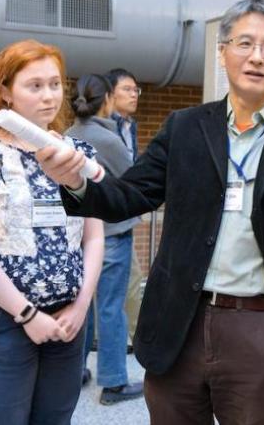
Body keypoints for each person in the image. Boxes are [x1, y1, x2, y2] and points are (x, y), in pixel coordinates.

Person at [37, 0, 264, 425]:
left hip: (256, 328)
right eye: (244, 43)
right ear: (223, 53)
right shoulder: (185, 127)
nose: (256, 56)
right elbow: (128, 196)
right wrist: (75, 181)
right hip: (178, 323)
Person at [0, 39, 104, 424]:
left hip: (68, 319)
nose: (49, 96)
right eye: (34, 86)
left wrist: (81, 307)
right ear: (4, 93)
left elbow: (94, 237)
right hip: (2, 321)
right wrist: (28, 314)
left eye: (55, 84)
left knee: (56, 418)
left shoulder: (78, 154)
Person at [66, 74, 143, 404]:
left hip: (80, 236)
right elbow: (135, 181)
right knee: (112, 308)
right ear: (107, 100)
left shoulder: (68, 135)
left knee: (83, 307)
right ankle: (113, 383)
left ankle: (75, 372)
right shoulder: (109, 140)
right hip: (111, 233)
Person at [106, 67, 144, 345]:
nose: (134, 95)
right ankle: (141, 338)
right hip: (107, 220)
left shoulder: (130, 127)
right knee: (128, 284)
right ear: (110, 94)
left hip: (124, 214)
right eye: (127, 90)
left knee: (123, 285)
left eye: (136, 90)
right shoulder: (105, 129)